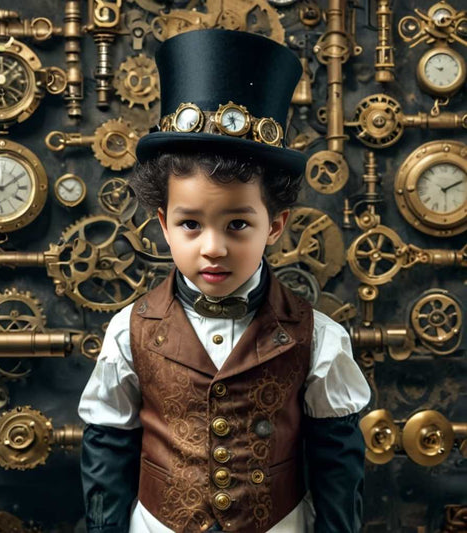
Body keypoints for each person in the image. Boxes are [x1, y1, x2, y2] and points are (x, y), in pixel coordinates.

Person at [78, 28, 370, 533]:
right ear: (163, 224)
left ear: (274, 226)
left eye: (238, 225)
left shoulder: (319, 337)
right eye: (191, 224)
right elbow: (107, 457)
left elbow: (338, 472)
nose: (213, 247)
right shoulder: (129, 331)